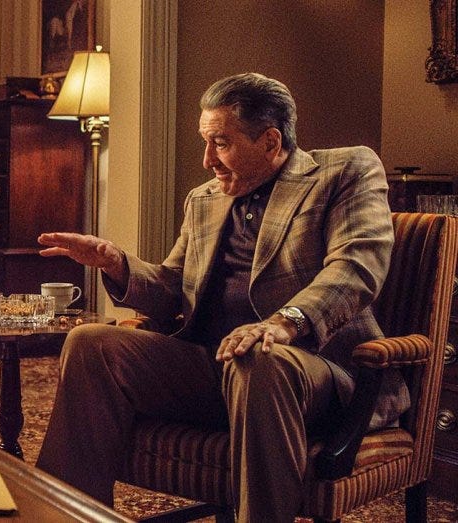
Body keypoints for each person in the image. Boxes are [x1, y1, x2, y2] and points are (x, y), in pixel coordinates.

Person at [35, 73, 403, 522]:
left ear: (270, 141)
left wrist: (282, 323)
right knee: (90, 343)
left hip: (312, 371)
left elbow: (356, 266)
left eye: (221, 143)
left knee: (258, 357)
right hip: (214, 366)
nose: (207, 159)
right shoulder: (204, 199)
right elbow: (173, 289)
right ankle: (66, 516)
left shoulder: (344, 172)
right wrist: (117, 264)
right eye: (205, 142)